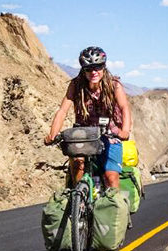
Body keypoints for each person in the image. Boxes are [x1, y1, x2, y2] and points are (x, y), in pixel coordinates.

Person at [45, 46, 133, 190]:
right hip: (83, 135)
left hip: (109, 135)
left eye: (97, 67)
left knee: (111, 177)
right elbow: (62, 110)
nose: (94, 72)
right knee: (78, 164)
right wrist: (53, 134)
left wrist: (124, 131)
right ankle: (78, 199)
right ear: (83, 69)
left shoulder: (114, 85)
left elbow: (124, 108)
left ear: (103, 66)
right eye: (89, 68)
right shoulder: (76, 85)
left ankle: (113, 207)